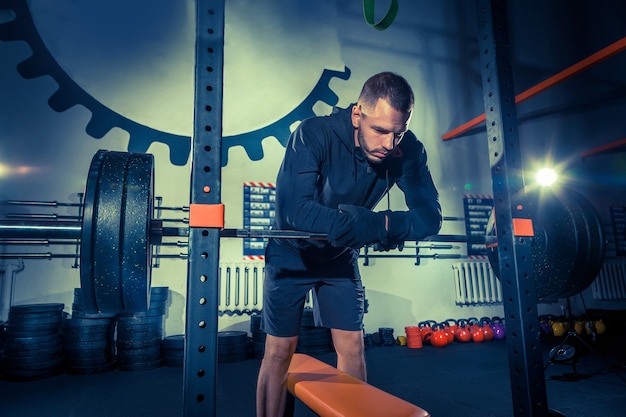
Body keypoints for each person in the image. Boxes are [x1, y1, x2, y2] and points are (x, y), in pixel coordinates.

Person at [255, 71, 442, 416]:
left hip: (340, 257)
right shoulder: (313, 134)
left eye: (397, 132)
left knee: (353, 347)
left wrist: (382, 224)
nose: (389, 143)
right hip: (290, 253)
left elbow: (430, 217)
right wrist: (363, 227)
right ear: (358, 114)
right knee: (280, 350)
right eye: (380, 130)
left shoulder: (407, 150)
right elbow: (294, 209)